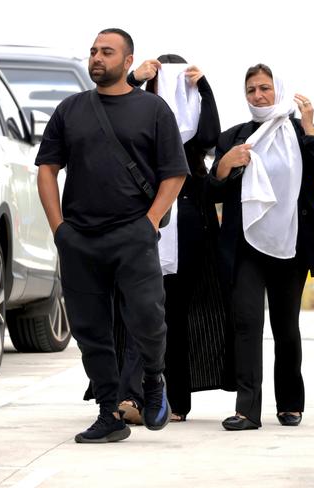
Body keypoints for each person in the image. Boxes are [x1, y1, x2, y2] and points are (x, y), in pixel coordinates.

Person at [36, 28, 188, 443]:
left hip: (133, 235)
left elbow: (174, 173)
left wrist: (150, 221)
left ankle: (153, 380)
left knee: (147, 318)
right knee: (90, 330)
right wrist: (59, 229)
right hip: (80, 238)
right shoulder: (70, 109)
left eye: (107, 52)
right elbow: (47, 169)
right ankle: (109, 413)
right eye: (93, 51)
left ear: (127, 61)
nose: (97, 58)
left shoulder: (153, 110)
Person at [107, 55, 234, 424]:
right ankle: (130, 395)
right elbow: (112, 114)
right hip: (143, 225)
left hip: (190, 231)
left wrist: (204, 88)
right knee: (137, 313)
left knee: (175, 317)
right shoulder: (143, 118)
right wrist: (134, 77)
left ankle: (174, 401)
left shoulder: (194, 133)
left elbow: (211, 137)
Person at [210, 64, 314, 430]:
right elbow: (213, 191)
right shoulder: (235, 136)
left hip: (292, 243)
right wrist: (225, 166)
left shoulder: (300, 132)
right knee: (247, 323)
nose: (259, 96)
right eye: (251, 90)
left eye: (265, 88)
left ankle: (290, 404)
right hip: (246, 244)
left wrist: (311, 129)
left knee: (285, 326)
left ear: (277, 90)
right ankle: (247, 410)